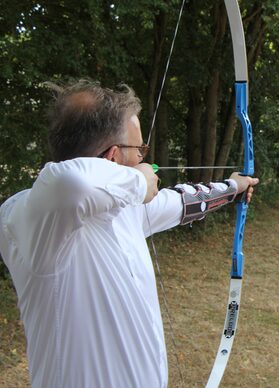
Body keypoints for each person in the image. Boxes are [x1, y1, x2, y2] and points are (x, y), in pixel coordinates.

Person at [0, 79, 259, 388]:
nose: (144, 159)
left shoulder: (125, 209)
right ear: (112, 156)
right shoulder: (30, 216)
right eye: (139, 150)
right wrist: (139, 180)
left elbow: (185, 201)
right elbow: (70, 185)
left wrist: (233, 188)